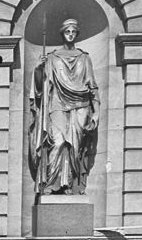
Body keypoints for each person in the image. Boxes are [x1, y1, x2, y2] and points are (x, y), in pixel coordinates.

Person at [29, 18, 100, 196]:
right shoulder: (52, 57)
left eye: (73, 32)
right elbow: (40, 87)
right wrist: (38, 68)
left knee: (75, 147)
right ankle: (52, 183)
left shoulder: (84, 58)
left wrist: (96, 112)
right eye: (67, 32)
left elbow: (92, 86)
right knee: (58, 141)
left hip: (80, 105)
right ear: (63, 34)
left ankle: (70, 184)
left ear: (77, 34)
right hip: (57, 103)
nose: (70, 35)